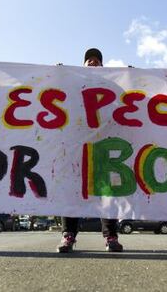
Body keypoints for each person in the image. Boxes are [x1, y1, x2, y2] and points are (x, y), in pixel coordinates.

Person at [56, 48, 124, 253]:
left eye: (96, 60)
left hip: (104, 145)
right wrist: (57, 74)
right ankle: (68, 236)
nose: (93, 62)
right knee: (72, 190)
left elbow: (126, 98)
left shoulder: (112, 84)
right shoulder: (73, 81)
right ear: (83, 64)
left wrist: (132, 78)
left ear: (102, 65)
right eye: (89, 60)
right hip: (76, 144)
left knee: (107, 192)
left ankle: (111, 237)